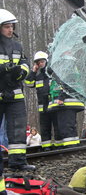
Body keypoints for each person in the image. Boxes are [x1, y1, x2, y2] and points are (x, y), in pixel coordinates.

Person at [0, 9, 35, 171]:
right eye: (6, 27)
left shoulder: (17, 46)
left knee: (18, 129)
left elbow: (26, 64)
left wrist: (21, 72)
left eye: (12, 27)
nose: (10, 30)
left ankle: (18, 162)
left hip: (15, 95)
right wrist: (4, 69)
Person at [25, 51, 55, 150]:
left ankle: (59, 146)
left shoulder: (52, 74)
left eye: (42, 61)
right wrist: (33, 71)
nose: (40, 64)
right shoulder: (38, 76)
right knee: (44, 128)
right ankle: (46, 147)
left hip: (53, 105)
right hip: (42, 107)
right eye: (38, 62)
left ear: (46, 61)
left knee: (57, 126)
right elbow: (29, 83)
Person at [47, 78, 84, 148]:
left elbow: (70, 82)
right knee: (61, 129)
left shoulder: (67, 69)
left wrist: (61, 97)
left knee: (67, 127)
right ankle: (64, 148)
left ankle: (71, 148)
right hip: (60, 105)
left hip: (66, 103)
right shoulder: (57, 71)